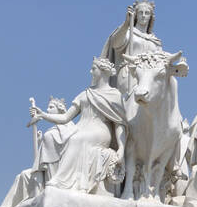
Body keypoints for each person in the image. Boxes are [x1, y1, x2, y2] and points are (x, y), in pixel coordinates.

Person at [31, 59, 127, 196]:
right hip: (81, 128)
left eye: (94, 68)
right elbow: (65, 118)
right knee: (54, 137)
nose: (91, 72)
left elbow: (119, 123)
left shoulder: (114, 95)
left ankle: (61, 181)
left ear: (103, 71)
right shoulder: (85, 93)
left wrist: (122, 148)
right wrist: (43, 115)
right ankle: (56, 180)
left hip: (100, 131)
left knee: (76, 139)